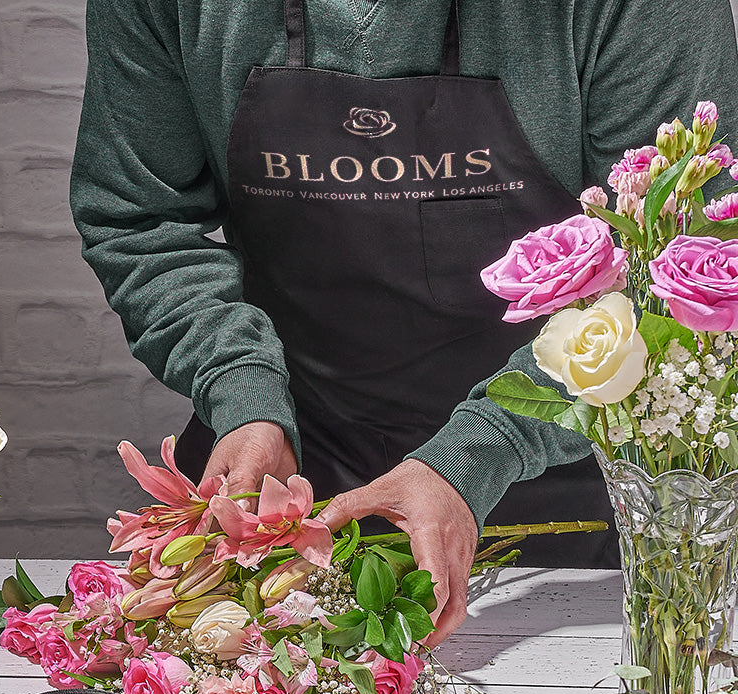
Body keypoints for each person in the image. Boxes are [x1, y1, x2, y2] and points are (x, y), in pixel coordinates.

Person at [70, 0, 738, 643]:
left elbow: (673, 275)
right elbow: (141, 221)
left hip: (566, 512)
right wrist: (242, 394)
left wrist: (475, 455)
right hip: (290, 502)